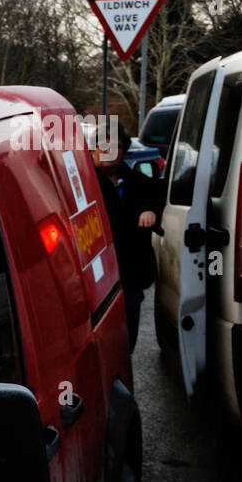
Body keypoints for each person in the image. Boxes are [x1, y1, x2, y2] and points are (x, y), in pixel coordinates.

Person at [92, 123, 165, 351]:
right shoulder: (83, 184)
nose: (107, 150)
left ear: (125, 151)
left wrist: (152, 210)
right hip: (96, 284)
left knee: (125, 348)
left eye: (115, 145)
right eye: (102, 145)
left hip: (130, 280)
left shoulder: (139, 183)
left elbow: (161, 198)